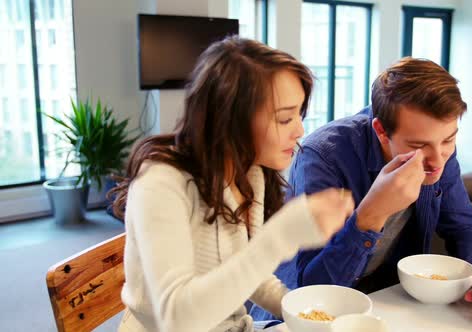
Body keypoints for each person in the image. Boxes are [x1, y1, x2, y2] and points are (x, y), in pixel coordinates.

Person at [252, 57, 472, 329]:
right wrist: (372, 214)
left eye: (449, 139)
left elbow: (464, 226)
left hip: (386, 300)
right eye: (419, 145)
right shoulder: (324, 156)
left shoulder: (439, 151)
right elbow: (316, 289)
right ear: (382, 132)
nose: (437, 160)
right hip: (293, 313)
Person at [110, 36, 354, 332]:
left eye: (298, 115)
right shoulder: (160, 182)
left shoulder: (249, 173)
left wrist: (297, 311)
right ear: (232, 118)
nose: (300, 130)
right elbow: (176, 319)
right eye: (285, 118)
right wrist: (280, 237)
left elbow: (246, 271)